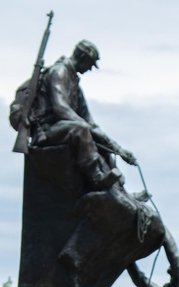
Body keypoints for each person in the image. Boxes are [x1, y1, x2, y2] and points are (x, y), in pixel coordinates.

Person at [29, 39, 136, 190]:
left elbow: (91, 123)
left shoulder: (74, 82)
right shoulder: (59, 71)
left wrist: (118, 149)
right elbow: (61, 109)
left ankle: (119, 189)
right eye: (90, 64)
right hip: (46, 132)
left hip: (64, 129)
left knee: (95, 136)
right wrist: (87, 128)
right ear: (82, 57)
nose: (90, 69)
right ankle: (96, 177)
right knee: (81, 129)